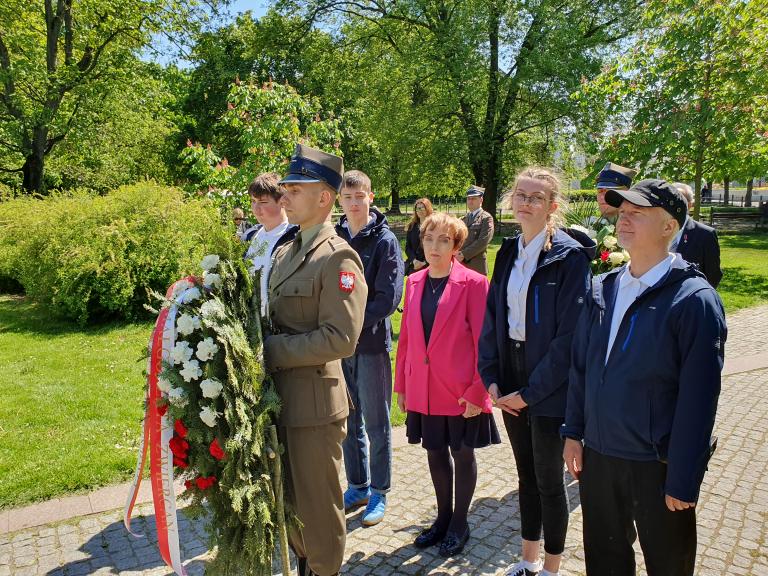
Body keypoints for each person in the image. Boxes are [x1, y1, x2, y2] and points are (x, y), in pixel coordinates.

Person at [562, 179, 727, 576]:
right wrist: (573, 432)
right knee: (604, 560)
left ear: (670, 226)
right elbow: (581, 367)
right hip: (600, 457)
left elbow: (699, 399)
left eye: (638, 212)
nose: (624, 219)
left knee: (668, 563)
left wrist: (684, 478)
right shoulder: (603, 287)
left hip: (658, 465)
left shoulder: (694, 300)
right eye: (623, 211)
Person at [478, 168, 594, 576]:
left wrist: (530, 394)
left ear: (552, 207)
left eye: (536, 198)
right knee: (525, 476)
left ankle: (551, 567)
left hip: (549, 384)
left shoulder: (569, 258)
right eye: (521, 195)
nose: (526, 203)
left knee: (548, 480)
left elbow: (569, 340)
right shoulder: (508, 250)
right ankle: (526, 560)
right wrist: (490, 376)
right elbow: (494, 315)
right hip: (510, 372)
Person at [264, 144, 368, 576]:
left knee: (319, 515)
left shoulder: (338, 257)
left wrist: (268, 352)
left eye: (294, 188)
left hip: (314, 408)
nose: (283, 195)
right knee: (291, 507)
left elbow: (340, 338)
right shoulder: (286, 250)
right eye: (285, 188)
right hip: (282, 401)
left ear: (324, 197)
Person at [394, 212, 500, 558]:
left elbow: (486, 343)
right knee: (434, 452)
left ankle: (459, 523)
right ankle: (441, 519)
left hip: (459, 391)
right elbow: (407, 339)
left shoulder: (473, 283)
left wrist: (477, 392)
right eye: (429, 238)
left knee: (462, 454)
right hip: (423, 387)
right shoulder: (413, 282)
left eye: (444, 240)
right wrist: (402, 386)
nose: (434, 247)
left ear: (456, 246)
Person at [335, 170, 404, 526]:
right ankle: (357, 485)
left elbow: (388, 298)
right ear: (339, 201)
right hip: (339, 347)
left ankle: (379, 491)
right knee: (348, 421)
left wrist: (349, 324)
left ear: (370, 198)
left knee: (376, 424)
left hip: (372, 345)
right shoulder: (334, 238)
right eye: (347, 198)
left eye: (360, 197)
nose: (354, 203)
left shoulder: (385, 241)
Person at [242, 172, 299, 315]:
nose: (256, 208)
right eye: (253, 201)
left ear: (282, 201)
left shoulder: (295, 237)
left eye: (263, 202)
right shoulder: (249, 236)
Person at [671, 182, 722, 288]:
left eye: (679, 200)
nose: (673, 204)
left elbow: (713, 274)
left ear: (689, 205)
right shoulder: (654, 230)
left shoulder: (705, 234)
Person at [458, 185, 495, 275]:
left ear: (481, 200)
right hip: (461, 265)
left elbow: (483, 241)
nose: (470, 201)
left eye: (473, 198)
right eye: (468, 199)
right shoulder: (463, 219)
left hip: (477, 266)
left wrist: (463, 254)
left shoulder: (486, 218)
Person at [405, 198, 433, 275]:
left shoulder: (434, 227)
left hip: (430, 265)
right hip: (414, 266)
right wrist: (414, 261)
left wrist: (424, 262)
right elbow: (408, 248)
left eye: (422, 208)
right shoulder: (412, 226)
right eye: (417, 208)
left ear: (427, 209)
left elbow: (436, 247)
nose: (420, 210)